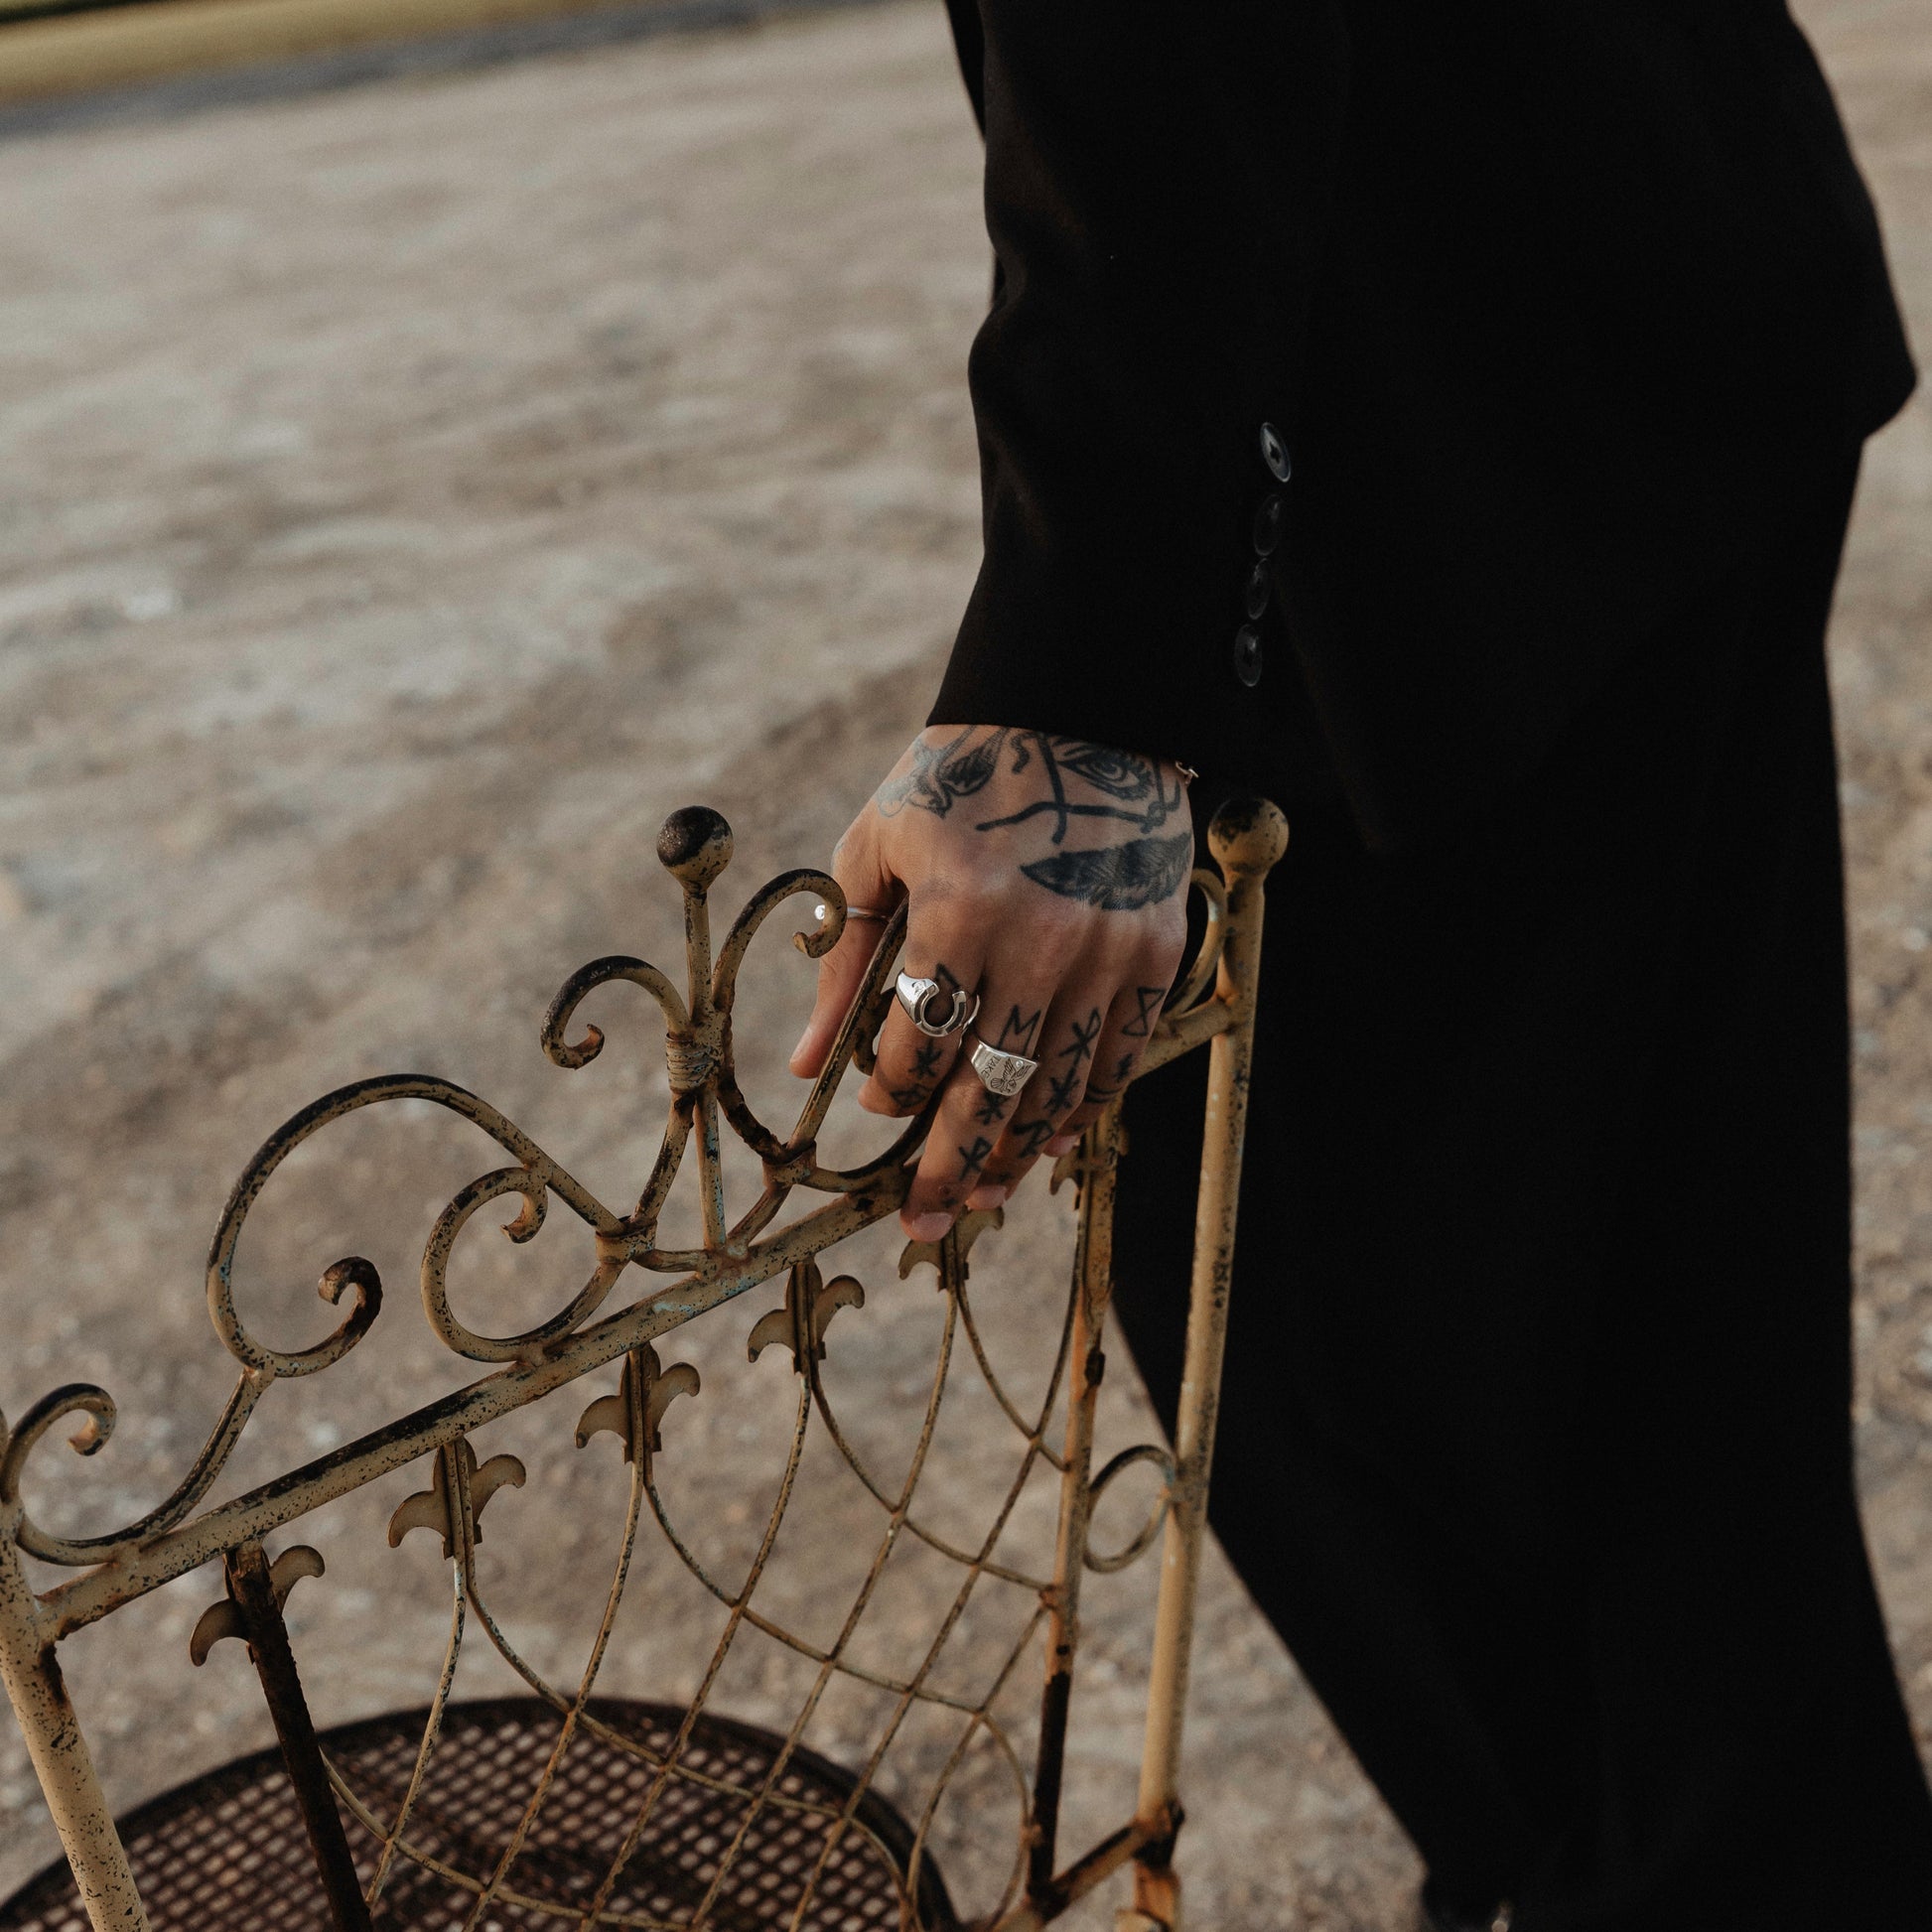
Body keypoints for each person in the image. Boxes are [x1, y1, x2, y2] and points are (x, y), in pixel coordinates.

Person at [789, 4, 1932, 1927]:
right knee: (1656, 1343)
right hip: (1619, 285)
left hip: (1455, 417)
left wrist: (1088, 682)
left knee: (1359, 1347)